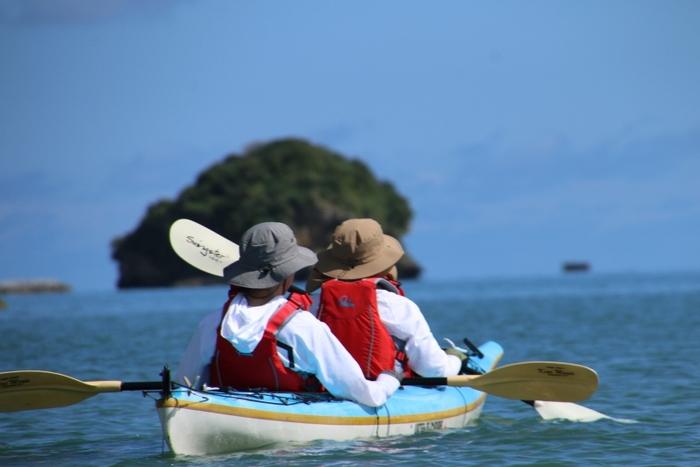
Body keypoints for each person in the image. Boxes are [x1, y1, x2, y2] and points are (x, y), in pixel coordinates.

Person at [175, 222, 402, 408]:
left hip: (227, 411)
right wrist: (389, 380)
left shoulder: (213, 323)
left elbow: (184, 385)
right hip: (290, 433)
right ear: (287, 273)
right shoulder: (304, 326)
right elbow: (364, 394)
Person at [306, 218, 465, 379]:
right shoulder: (398, 307)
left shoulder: (310, 305)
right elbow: (433, 370)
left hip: (323, 389)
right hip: (383, 388)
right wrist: (455, 358)